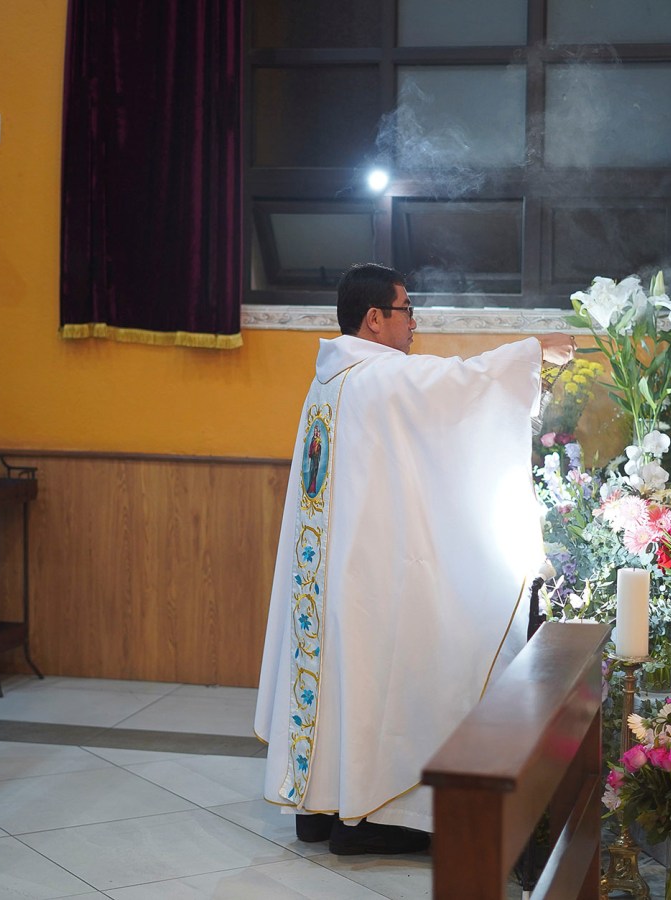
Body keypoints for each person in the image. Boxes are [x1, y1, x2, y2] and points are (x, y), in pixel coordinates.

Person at [253, 263, 574, 855]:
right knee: (385, 677)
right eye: (406, 311)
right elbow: (459, 385)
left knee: (335, 678)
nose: (413, 324)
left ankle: (319, 808)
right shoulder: (376, 379)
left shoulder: (332, 378)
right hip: (365, 575)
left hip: (324, 574)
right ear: (374, 319)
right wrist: (532, 351)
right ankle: (368, 820)